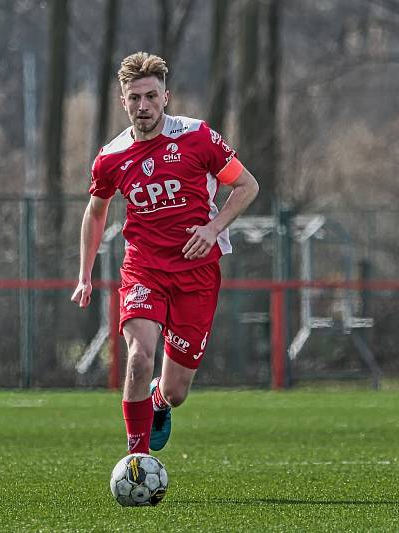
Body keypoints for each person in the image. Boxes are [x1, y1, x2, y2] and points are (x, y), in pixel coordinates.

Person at [71, 52, 259, 455]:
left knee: (176, 392)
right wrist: (85, 273)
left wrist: (213, 229)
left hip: (196, 273)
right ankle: (137, 461)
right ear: (123, 102)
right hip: (144, 270)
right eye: (135, 98)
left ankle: (157, 403)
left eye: (151, 97)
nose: (143, 106)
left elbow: (246, 186)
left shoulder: (197, 137)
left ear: (166, 97)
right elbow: (96, 211)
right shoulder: (110, 158)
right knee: (139, 359)